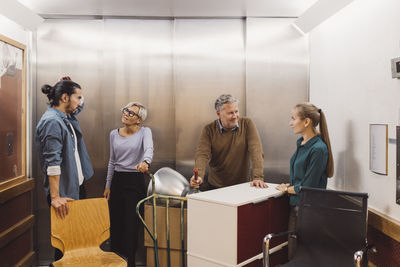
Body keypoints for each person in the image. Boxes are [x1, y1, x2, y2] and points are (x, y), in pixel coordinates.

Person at [36, 77, 94, 261]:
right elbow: (52, 164)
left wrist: (65, 85)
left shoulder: (65, 116)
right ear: (64, 98)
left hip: (74, 187)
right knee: (65, 245)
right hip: (63, 194)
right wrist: (55, 197)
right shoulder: (53, 122)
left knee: (73, 240)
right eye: (78, 97)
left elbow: (78, 106)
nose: (80, 102)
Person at [275, 102, 334, 259]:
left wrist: (287, 190)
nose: (290, 122)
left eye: (293, 118)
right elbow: (301, 178)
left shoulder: (318, 149)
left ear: (306, 121)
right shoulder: (302, 144)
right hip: (297, 207)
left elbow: (308, 186)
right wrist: (287, 185)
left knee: (301, 257)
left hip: (309, 211)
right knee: (293, 256)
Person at [103, 102, 153, 267]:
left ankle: (129, 263)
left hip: (135, 181)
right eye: (126, 110)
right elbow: (112, 161)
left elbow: (149, 149)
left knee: (131, 227)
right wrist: (108, 185)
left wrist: (146, 162)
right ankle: (115, 263)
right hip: (117, 181)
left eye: (131, 113)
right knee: (116, 225)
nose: (126, 114)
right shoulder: (113, 134)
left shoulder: (145, 132)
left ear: (139, 120)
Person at [189, 94, 267, 190]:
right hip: (216, 186)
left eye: (236, 111)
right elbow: (202, 155)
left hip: (242, 186)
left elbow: (256, 151)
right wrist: (199, 176)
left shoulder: (247, 124)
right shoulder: (209, 130)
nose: (235, 116)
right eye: (230, 113)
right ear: (219, 114)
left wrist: (258, 177)